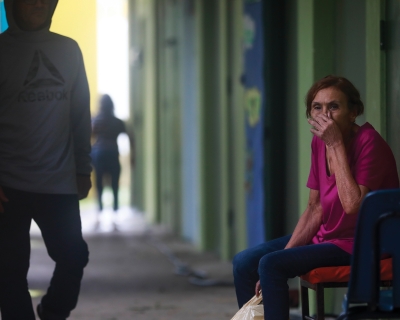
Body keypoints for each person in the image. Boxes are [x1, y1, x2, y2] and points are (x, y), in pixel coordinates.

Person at [233, 75, 399, 319]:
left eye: (334, 106)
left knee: (271, 265)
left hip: (363, 243)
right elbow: (315, 208)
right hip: (329, 236)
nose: (326, 115)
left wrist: (336, 145)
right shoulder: (318, 143)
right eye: (317, 107)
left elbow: (353, 205)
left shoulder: (369, 143)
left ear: (353, 112)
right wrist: (286, 254)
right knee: (245, 262)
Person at [0, 0, 92, 319]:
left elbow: (80, 115)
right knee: (9, 274)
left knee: (73, 256)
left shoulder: (69, 50)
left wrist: (83, 168)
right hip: (7, 186)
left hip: (60, 180)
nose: (38, 2)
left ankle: (52, 312)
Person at [91, 94, 134, 213]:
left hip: (98, 154)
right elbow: (130, 137)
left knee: (99, 182)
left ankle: (100, 207)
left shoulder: (95, 120)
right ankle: (115, 207)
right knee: (115, 182)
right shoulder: (117, 122)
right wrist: (133, 156)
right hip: (112, 153)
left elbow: (89, 136)